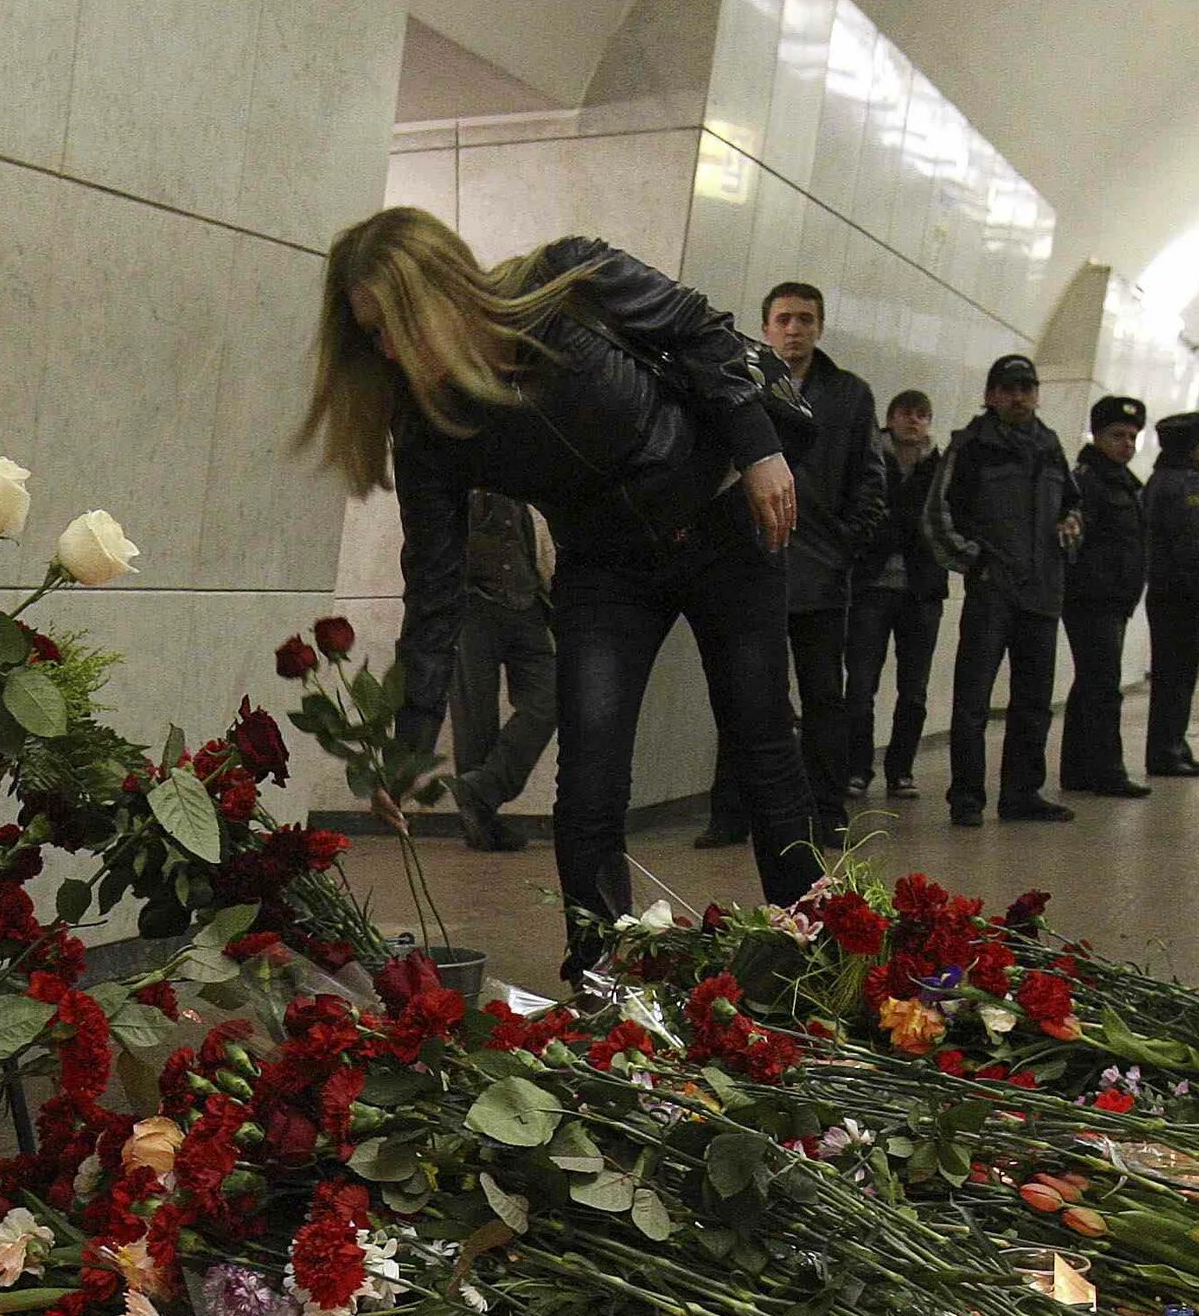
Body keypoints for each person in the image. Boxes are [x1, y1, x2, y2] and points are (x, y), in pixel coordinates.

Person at [296, 207, 814, 972]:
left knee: (762, 737)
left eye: (400, 321)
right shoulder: (428, 429)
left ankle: (817, 952)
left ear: (447, 285)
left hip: (719, 521)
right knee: (591, 776)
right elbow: (435, 589)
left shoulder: (569, 281)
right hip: (606, 569)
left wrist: (760, 447)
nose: (392, 348)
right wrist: (405, 746)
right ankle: (605, 972)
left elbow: (699, 329)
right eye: (373, 335)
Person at [699, 282, 884, 849]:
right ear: (765, 326)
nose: (794, 329)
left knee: (825, 696)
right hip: (749, 566)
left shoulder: (850, 395)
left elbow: (869, 480)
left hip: (820, 575)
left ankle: (826, 811)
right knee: (746, 692)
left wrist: (842, 542)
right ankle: (731, 814)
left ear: (820, 328)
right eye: (784, 319)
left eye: (805, 319)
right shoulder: (735, 383)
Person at [929, 353, 1079, 826]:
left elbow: (1073, 504)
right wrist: (976, 561)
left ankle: (1021, 794)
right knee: (973, 701)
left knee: (1033, 701)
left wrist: (1073, 523)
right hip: (993, 592)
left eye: (1027, 388)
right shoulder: (970, 446)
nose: (1019, 398)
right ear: (992, 396)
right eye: (1009, 389)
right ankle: (967, 798)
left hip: (1042, 591)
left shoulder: (1051, 446)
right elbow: (936, 515)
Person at [849, 389, 949, 798]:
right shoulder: (870, 459)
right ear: (891, 418)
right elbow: (866, 515)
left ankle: (900, 771)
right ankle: (856, 769)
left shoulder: (941, 469)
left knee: (915, 688)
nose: (915, 422)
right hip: (871, 586)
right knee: (859, 685)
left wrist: (895, 521)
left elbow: (938, 525)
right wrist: (909, 526)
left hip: (921, 591)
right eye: (907, 413)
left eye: (923, 415)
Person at [447, 489, 559, 851]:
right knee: (474, 718)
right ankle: (482, 821)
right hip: (471, 606)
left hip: (529, 607)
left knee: (553, 696)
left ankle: (481, 787)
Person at [1059, 394, 1151, 796]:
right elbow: (1075, 539)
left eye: (1133, 436)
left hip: (1114, 599)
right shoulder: (1087, 482)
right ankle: (1107, 771)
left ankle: (1078, 771)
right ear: (1097, 436)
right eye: (1117, 435)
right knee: (1103, 685)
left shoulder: (1124, 483)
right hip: (1091, 598)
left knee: (1090, 684)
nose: (1126, 443)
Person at [1140, 410, 1199, 774]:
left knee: (1173, 675)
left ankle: (1174, 745)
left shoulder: (1161, 480)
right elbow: (1197, 544)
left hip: (1167, 591)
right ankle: (1166, 752)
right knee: (1177, 677)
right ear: (1195, 447)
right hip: (1182, 595)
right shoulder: (1186, 486)